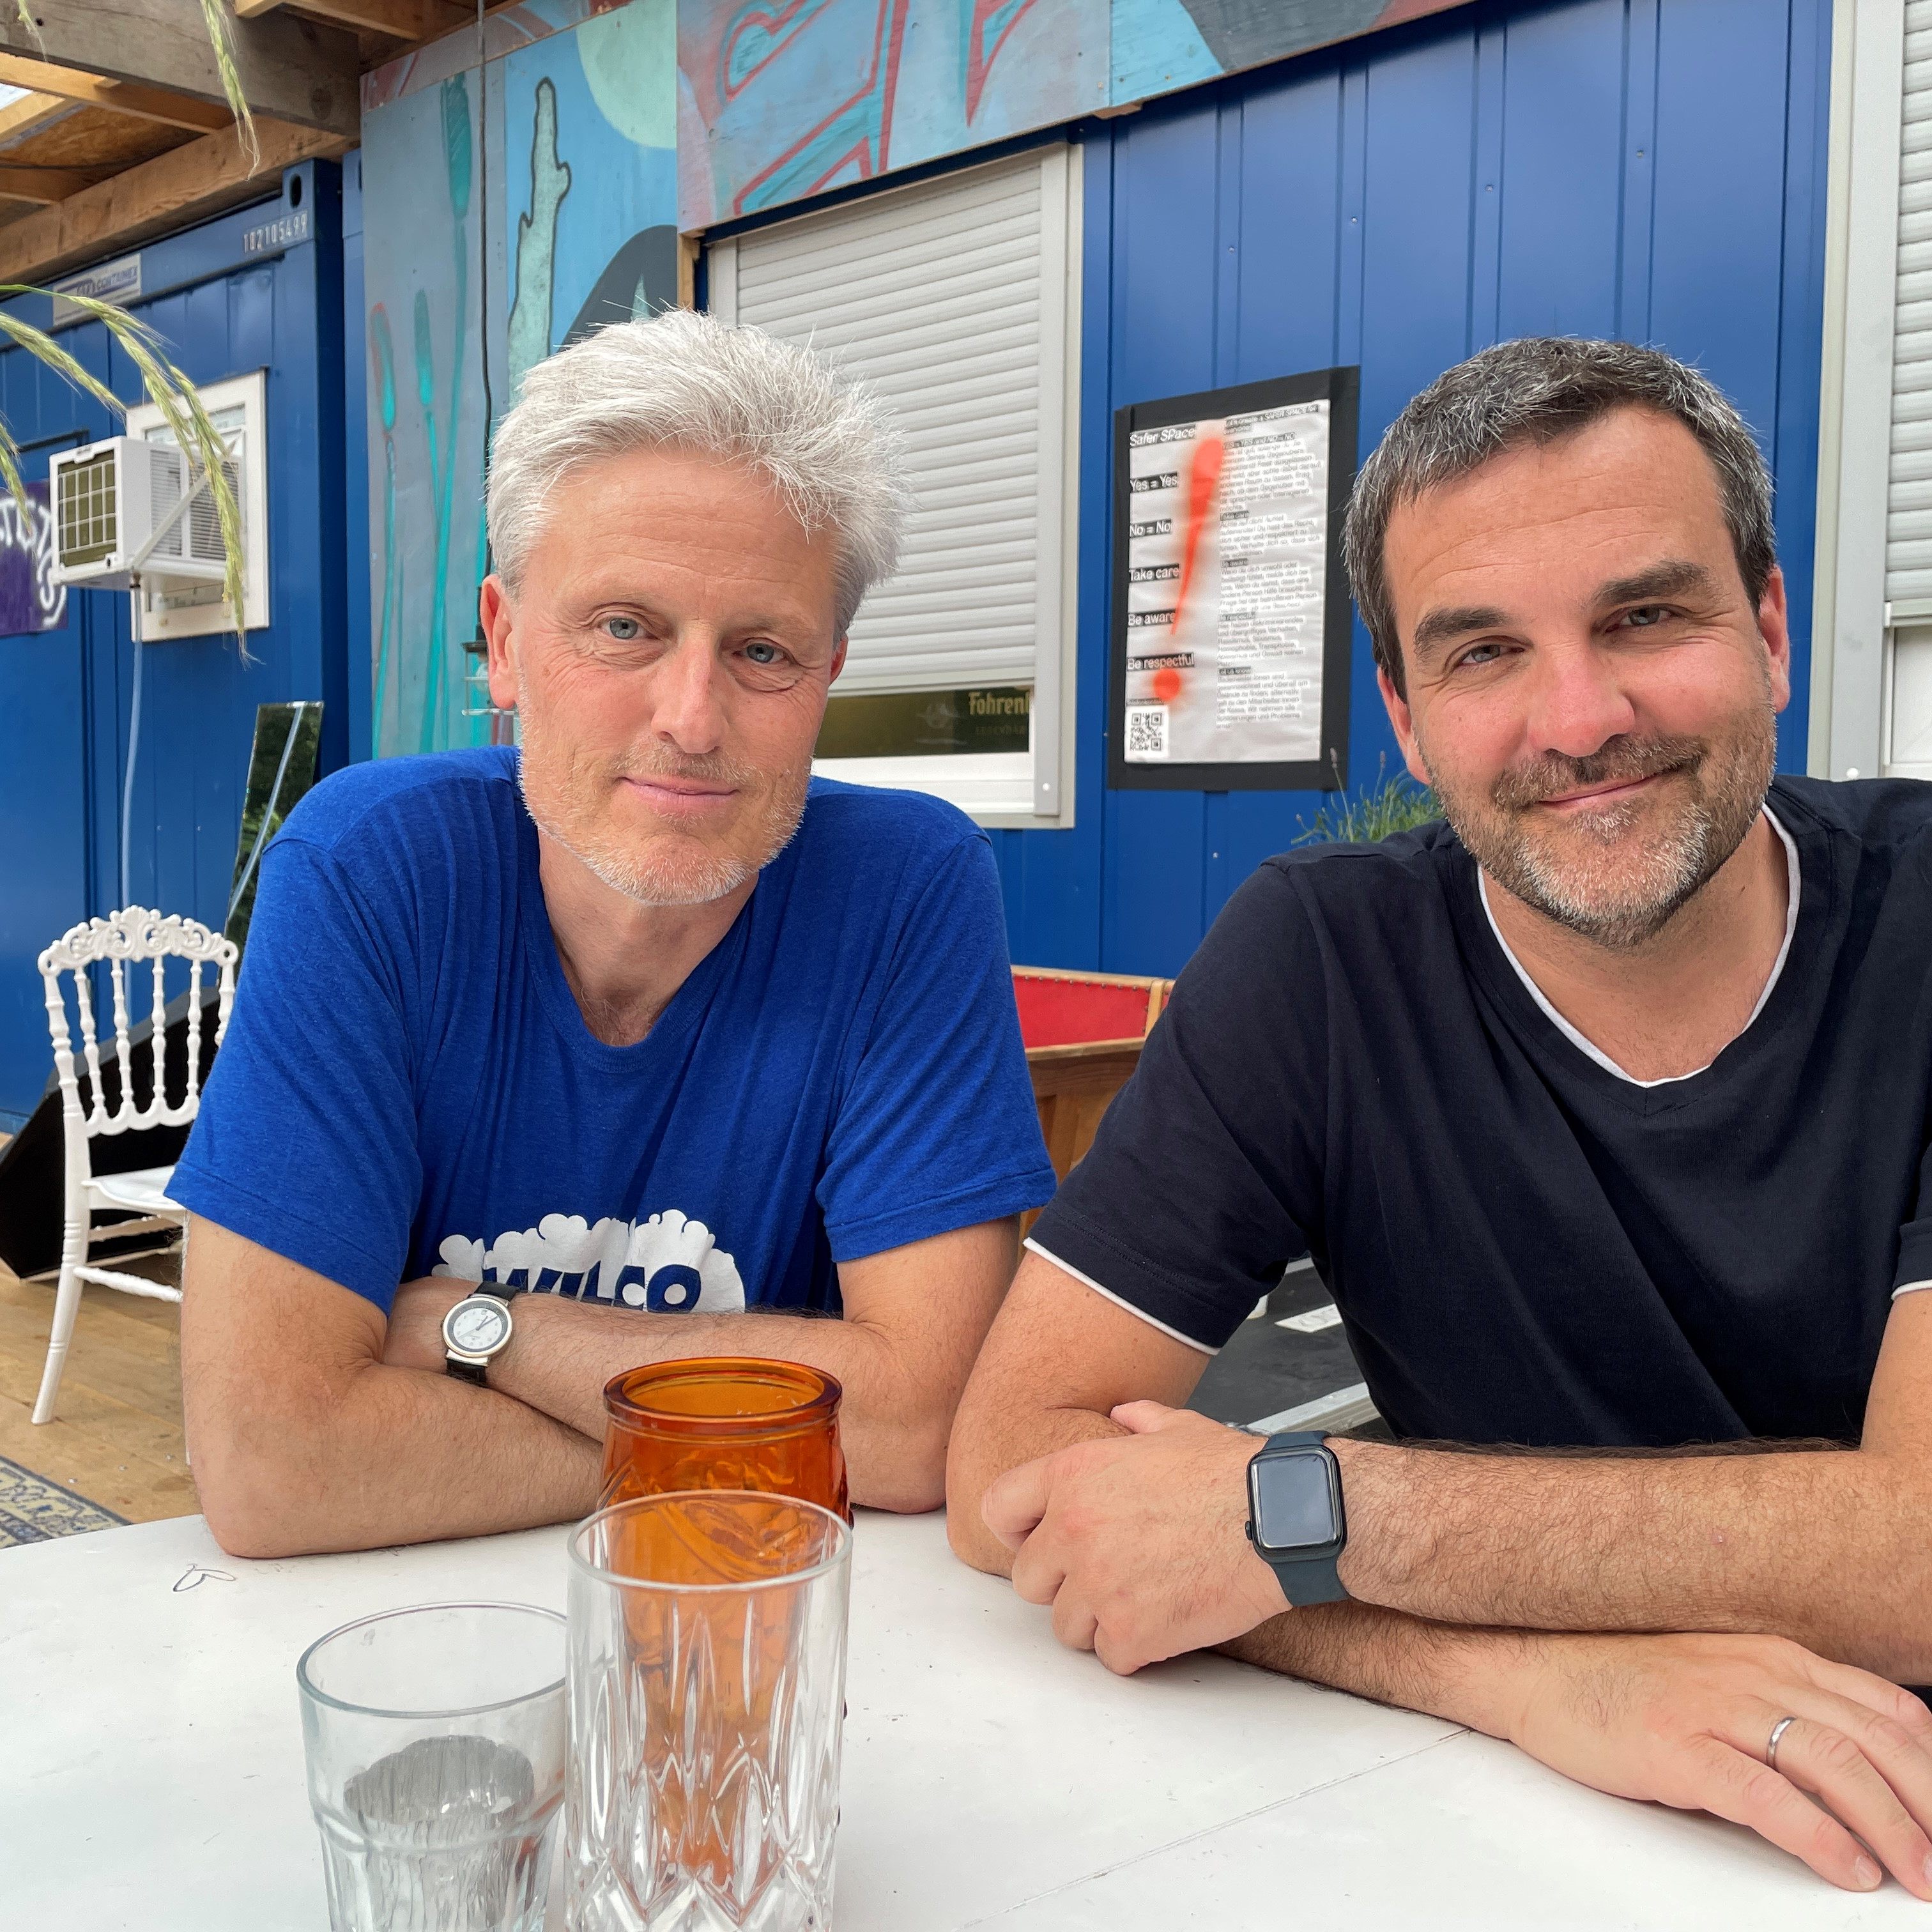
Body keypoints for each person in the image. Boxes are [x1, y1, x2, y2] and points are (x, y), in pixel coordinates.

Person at [947, 337, 1932, 1898]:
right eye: (1483, 653)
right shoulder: (1322, 964)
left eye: (1646, 616)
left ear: (1769, 629)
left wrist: (1312, 1513)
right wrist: (1532, 1680)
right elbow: (1010, 1471)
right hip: (1490, 1833)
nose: (1579, 718)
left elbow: (1922, 1552)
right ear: (1407, 723)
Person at [177, 309, 1054, 1558]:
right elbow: (275, 1461)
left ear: (827, 677)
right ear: (506, 643)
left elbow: (922, 1426)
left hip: (756, 1620)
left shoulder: (905, 887)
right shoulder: (372, 872)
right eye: (625, 628)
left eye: (762, 650)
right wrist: (769, 1432)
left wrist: (482, 1331)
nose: (691, 719)